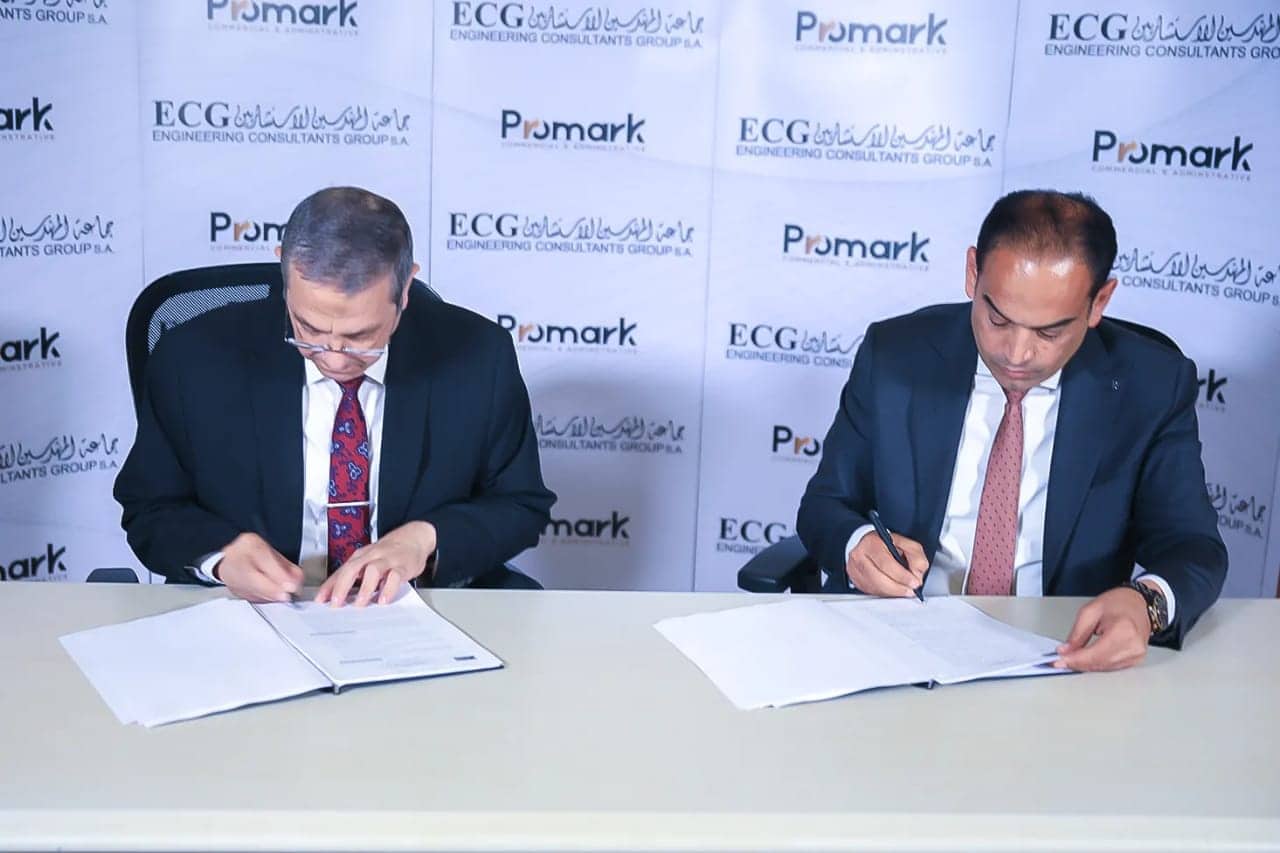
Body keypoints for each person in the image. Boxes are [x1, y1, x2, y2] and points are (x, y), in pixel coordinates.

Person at [797, 189, 1226, 671]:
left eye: (1049, 332)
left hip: (1061, 651)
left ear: (1099, 302)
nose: (1017, 354)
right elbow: (825, 505)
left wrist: (1146, 603)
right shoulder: (895, 355)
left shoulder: (1152, 385)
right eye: (998, 319)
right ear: (972, 273)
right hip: (900, 641)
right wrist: (856, 545)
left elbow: (1193, 547)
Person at [115, 186, 555, 606]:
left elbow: (519, 504)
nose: (335, 357)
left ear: (405, 289)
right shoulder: (195, 356)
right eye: (308, 329)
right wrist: (221, 555)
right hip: (250, 613)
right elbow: (150, 508)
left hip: (409, 609)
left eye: (361, 336)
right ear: (284, 273)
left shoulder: (478, 356)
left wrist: (425, 539)